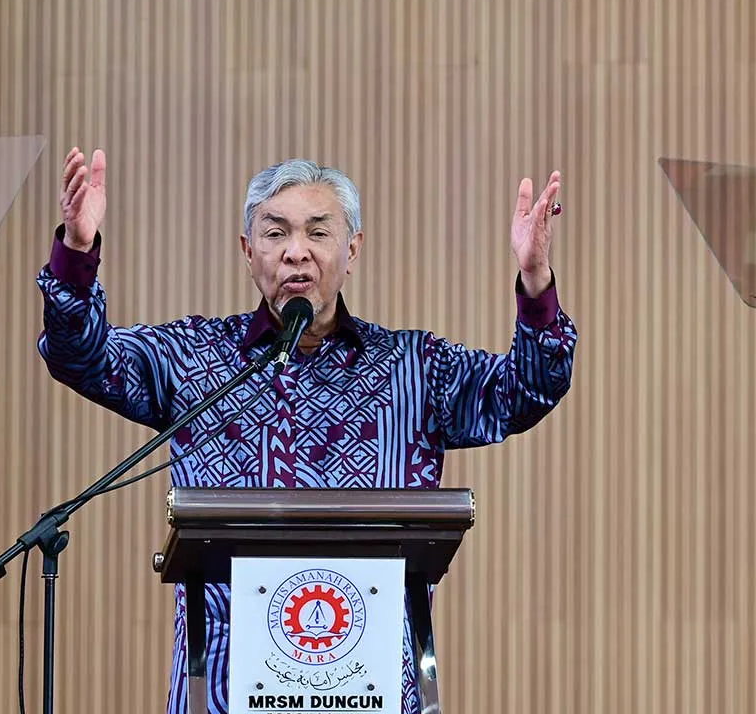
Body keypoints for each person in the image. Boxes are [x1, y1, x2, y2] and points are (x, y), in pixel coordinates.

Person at [36, 147, 578, 714]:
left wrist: (536, 282)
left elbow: (525, 391)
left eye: (318, 233)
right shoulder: (195, 359)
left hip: (376, 693)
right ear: (249, 252)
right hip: (219, 692)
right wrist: (76, 253)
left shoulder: (416, 367)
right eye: (275, 234)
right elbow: (83, 358)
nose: (296, 253)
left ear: (353, 249)